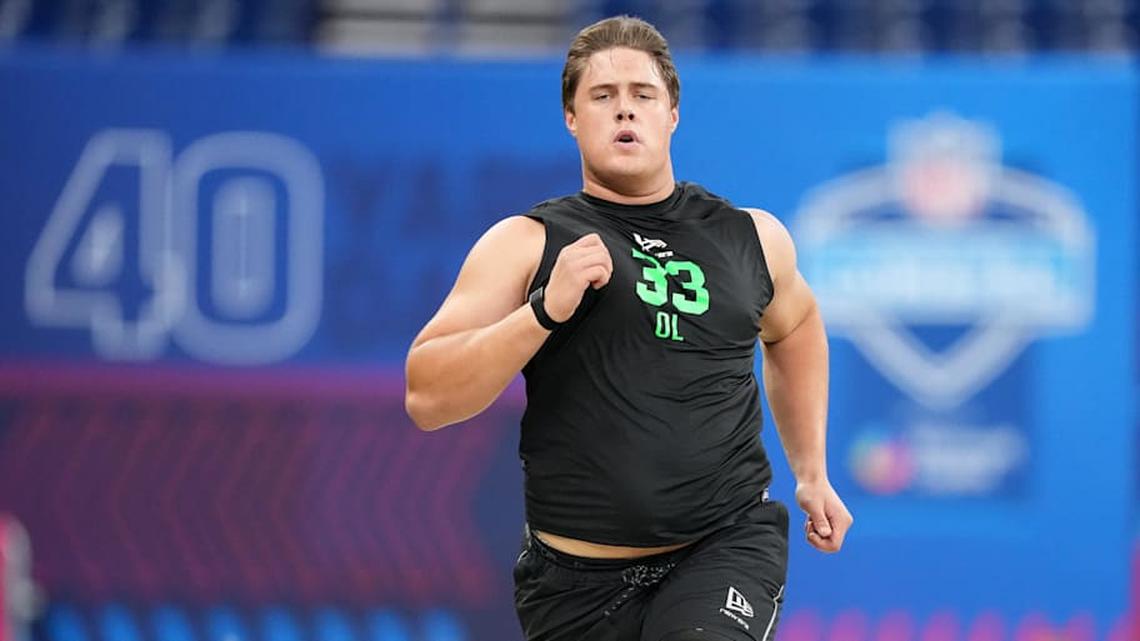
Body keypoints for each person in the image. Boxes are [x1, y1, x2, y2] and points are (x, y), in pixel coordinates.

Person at [404, 14, 853, 641]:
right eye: (602, 96)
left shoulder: (749, 236)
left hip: (722, 548)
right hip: (574, 586)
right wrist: (542, 312)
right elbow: (427, 397)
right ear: (571, 117)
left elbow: (797, 324)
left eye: (643, 96)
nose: (625, 112)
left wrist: (811, 471)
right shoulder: (527, 243)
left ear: (672, 113)